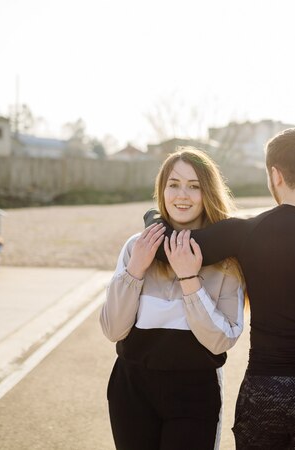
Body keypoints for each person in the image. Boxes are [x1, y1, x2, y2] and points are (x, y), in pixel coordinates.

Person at [147, 128, 295, 449]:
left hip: (264, 392)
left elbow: (175, 246)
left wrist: (153, 215)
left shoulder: (247, 231)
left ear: (275, 175)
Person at [100, 147, 245, 450]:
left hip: (194, 391)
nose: (183, 195)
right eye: (174, 184)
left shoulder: (228, 260)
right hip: (132, 389)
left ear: (209, 193)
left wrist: (190, 279)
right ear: (161, 190)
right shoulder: (135, 247)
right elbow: (113, 329)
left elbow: (221, 340)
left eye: (195, 186)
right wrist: (135, 270)